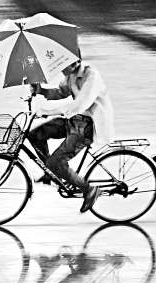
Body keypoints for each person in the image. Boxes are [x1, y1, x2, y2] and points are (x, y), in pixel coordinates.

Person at [28, 53, 114, 213]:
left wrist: (48, 111)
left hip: (89, 124)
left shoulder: (91, 76)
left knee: (56, 162)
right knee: (35, 135)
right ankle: (53, 173)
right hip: (75, 120)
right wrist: (41, 90)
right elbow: (61, 92)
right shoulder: (71, 75)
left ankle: (89, 190)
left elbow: (79, 105)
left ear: (74, 63)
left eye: (62, 66)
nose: (60, 70)